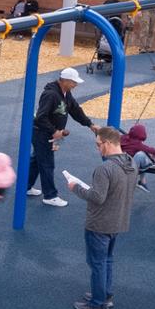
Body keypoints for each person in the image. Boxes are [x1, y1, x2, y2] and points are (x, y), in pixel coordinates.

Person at [69, 126, 138, 309]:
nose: (98, 148)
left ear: (107, 143)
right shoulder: (131, 163)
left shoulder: (104, 169)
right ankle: (105, 295)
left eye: (98, 145)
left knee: (96, 263)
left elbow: (97, 197)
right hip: (119, 220)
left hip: (99, 223)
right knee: (107, 260)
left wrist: (75, 187)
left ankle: (97, 304)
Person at [28, 67, 96, 209]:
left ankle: (26, 186)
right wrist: (53, 131)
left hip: (45, 132)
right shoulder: (51, 95)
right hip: (41, 133)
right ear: (64, 81)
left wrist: (89, 124)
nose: (75, 85)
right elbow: (41, 117)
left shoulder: (66, 93)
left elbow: (75, 109)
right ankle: (50, 196)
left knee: (37, 160)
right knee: (47, 163)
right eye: (73, 82)